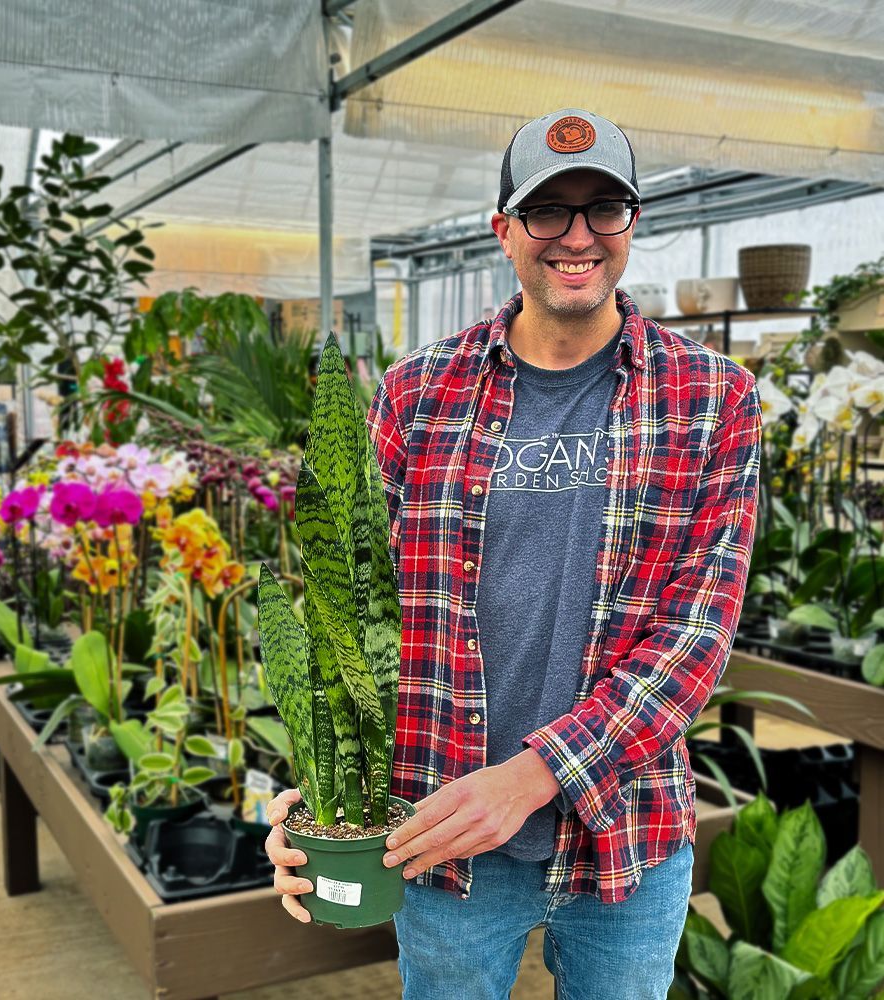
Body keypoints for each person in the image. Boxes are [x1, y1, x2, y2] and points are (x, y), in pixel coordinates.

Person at [264, 108, 762, 999]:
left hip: (625, 836)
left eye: (603, 209)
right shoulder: (417, 393)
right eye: (547, 211)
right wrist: (309, 796)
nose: (577, 237)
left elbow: (699, 635)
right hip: (444, 837)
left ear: (632, 224)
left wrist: (532, 777)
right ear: (504, 232)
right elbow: (341, 619)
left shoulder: (712, 397)